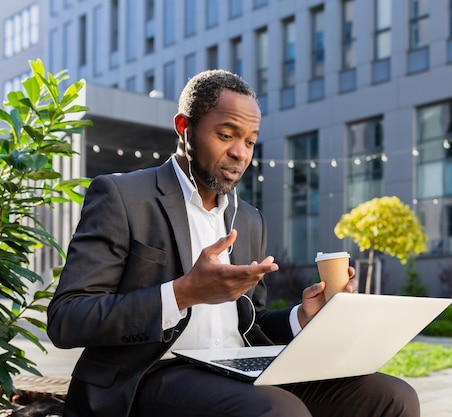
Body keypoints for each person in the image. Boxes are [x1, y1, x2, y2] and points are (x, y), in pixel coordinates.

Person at [47, 69, 420, 417]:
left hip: (236, 366)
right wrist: (181, 293)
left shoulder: (248, 219)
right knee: (279, 411)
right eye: (226, 135)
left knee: (392, 397)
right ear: (184, 128)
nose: (240, 152)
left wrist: (301, 317)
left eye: (250, 141)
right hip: (150, 373)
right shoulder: (123, 196)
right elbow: (68, 319)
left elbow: (249, 321)